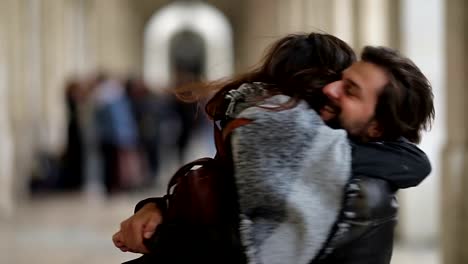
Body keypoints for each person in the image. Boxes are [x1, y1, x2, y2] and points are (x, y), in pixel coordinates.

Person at [113, 33, 434, 264]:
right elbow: (220, 187)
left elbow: (235, 245)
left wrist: (159, 235)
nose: (329, 90)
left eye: (349, 89)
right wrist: (155, 208)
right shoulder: (282, 143)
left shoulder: (356, 186)